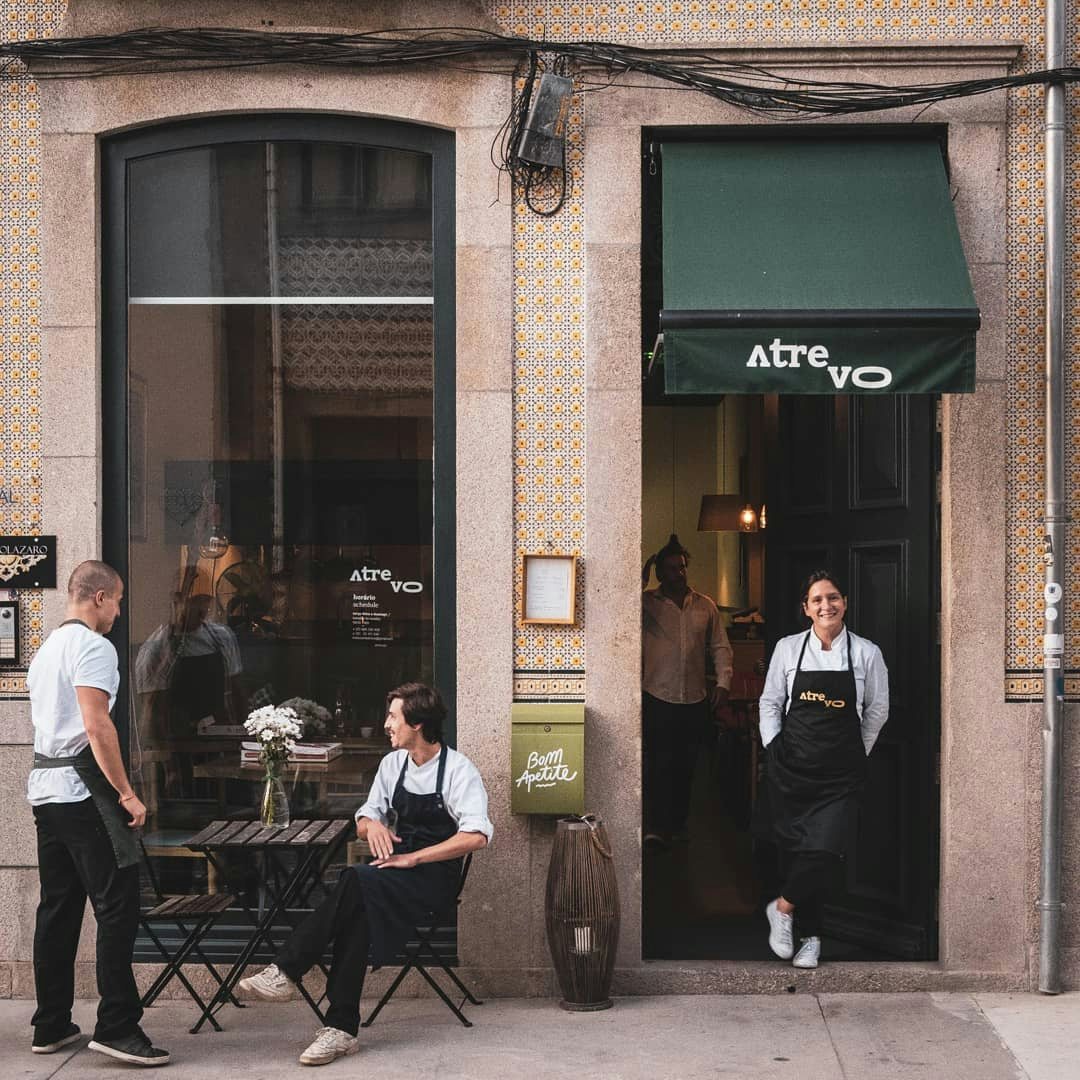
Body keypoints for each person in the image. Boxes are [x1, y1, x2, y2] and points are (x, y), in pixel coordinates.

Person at [237, 682, 492, 1066]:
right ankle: (339, 1029)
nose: (386, 724)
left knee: (355, 880)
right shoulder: (393, 765)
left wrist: (416, 858)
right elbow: (365, 816)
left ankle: (288, 971)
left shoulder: (458, 770)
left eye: (393, 716)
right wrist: (370, 824)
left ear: (418, 724)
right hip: (391, 873)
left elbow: (476, 835)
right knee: (357, 903)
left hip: (432, 879)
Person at [26, 561, 170, 1066]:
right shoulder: (93, 647)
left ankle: (51, 1023)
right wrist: (128, 793)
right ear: (101, 597)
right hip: (83, 792)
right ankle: (117, 1027)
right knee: (118, 905)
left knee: (58, 907)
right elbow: (97, 726)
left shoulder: (45, 651)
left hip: (45, 792)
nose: (120, 611)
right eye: (120, 600)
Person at [757, 570, 889, 970]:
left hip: (841, 776)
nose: (825, 606)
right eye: (817, 600)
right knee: (800, 853)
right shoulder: (788, 648)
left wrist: (856, 752)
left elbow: (877, 710)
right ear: (806, 609)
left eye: (832, 598)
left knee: (826, 848)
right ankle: (811, 939)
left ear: (844, 602)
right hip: (793, 769)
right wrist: (774, 747)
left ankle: (781, 908)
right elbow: (770, 702)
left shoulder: (867, 653)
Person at [641, 534, 733, 847]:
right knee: (657, 765)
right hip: (657, 695)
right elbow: (622, 608)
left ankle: (678, 826)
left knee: (687, 766)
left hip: (694, 698)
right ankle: (655, 827)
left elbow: (720, 646)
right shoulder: (647, 604)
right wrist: (641, 577)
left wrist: (723, 682)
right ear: (660, 573)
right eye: (670, 568)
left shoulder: (705, 606)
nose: (678, 573)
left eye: (681, 567)